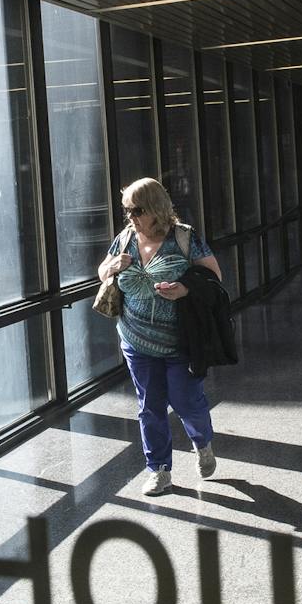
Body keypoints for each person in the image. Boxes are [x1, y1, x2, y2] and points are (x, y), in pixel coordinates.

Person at [97, 178, 222, 495]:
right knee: (149, 407)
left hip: (179, 341)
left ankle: (202, 442)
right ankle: (159, 470)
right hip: (136, 341)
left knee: (185, 401)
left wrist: (184, 289)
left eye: (137, 210)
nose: (131, 218)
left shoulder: (183, 238)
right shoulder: (125, 239)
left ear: (155, 207)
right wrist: (112, 266)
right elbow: (103, 272)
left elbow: (213, 277)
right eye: (127, 211)